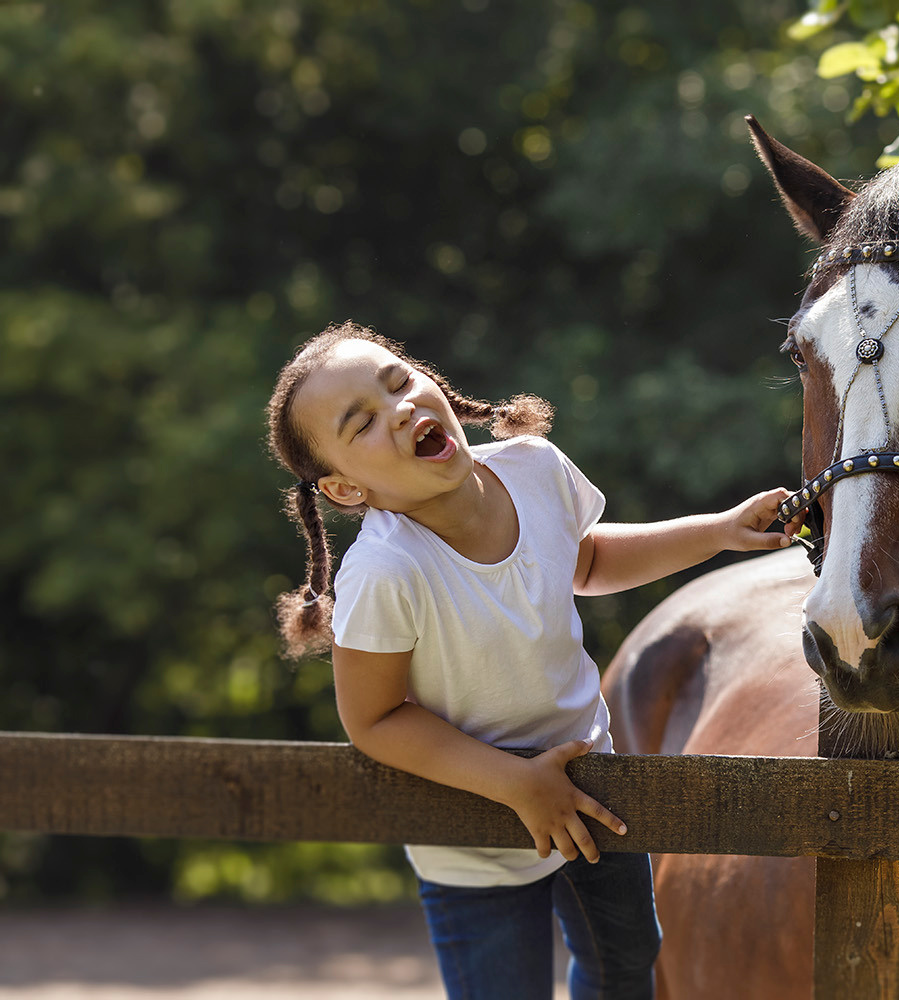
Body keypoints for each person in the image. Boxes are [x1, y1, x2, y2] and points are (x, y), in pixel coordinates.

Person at [266, 320, 801, 999]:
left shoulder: (534, 468)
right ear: (344, 489)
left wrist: (719, 531)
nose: (400, 409)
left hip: (595, 795)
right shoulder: (385, 571)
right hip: (474, 840)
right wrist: (517, 785)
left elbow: (588, 558)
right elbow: (374, 721)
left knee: (626, 972)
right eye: (362, 422)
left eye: (399, 382)